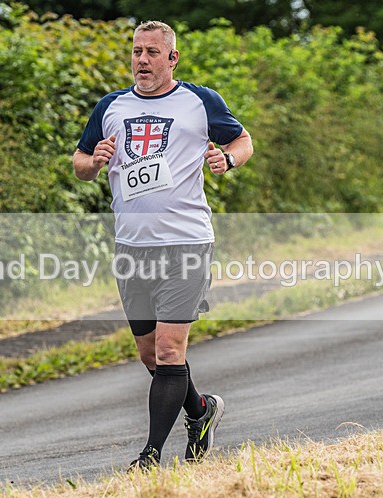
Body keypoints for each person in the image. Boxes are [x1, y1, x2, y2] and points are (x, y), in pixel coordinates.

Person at [73, 20, 253, 469]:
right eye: (137, 52)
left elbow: (242, 139)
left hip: (186, 242)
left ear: (172, 59)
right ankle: (201, 411)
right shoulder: (111, 106)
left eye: (152, 52)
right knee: (151, 355)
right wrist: (93, 161)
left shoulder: (198, 100)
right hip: (132, 247)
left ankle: (151, 455)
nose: (142, 60)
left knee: (172, 351)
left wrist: (227, 158)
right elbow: (79, 162)